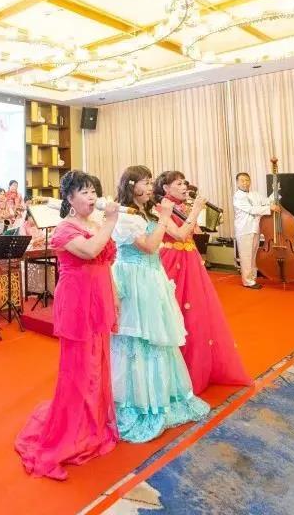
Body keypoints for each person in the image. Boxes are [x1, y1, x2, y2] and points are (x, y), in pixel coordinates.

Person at [15, 170, 119, 480]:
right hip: (77, 301)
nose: (92, 197)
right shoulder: (64, 229)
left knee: (98, 363)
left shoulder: (95, 224)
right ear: (70, 199)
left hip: (99, 297)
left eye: (93, 191)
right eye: (84, 192)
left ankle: (93, 421)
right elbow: (90, 251)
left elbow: (104, 262)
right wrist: (111, 222)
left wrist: (114, 296)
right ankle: (74, 427)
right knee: (79, 367)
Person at [110, 166, 209, 443]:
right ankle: (137, 401)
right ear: (131, 185)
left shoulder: (145, 212)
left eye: (151, 181)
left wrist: (163, 217)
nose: (150, 186)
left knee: (158, 337)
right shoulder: (126, 216)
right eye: (145, 182)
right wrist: (165, 217)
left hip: (153, 277)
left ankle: (160, 395)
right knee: (137, 338)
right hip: (134, 280)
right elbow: (150, 246)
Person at [155, 171, 250, 395]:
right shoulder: (161, 208)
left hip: (190, 259)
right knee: (174, 310)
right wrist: (196, 210)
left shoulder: (182, 206)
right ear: (166, 188)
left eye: (184, 183)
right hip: (172, 261)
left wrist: (198, 213)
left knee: (196, 312)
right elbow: (179, 235)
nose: (184, 187)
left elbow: (194, 233)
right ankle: (174, 373)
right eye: (179, 183)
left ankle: (197, 366)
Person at [232, 172, 278, 290]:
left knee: (253, 256)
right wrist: (269, 208)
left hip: (255, 228)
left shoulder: (255, 194)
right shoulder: (237, 196)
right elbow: (251, 209)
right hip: (244, 229)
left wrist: (275, 191)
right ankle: (247, 281)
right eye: (242, 180)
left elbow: (268, 201)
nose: (245, 183)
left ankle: (252, 278)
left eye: (247, 180)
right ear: (237, 183)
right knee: (246, 257)